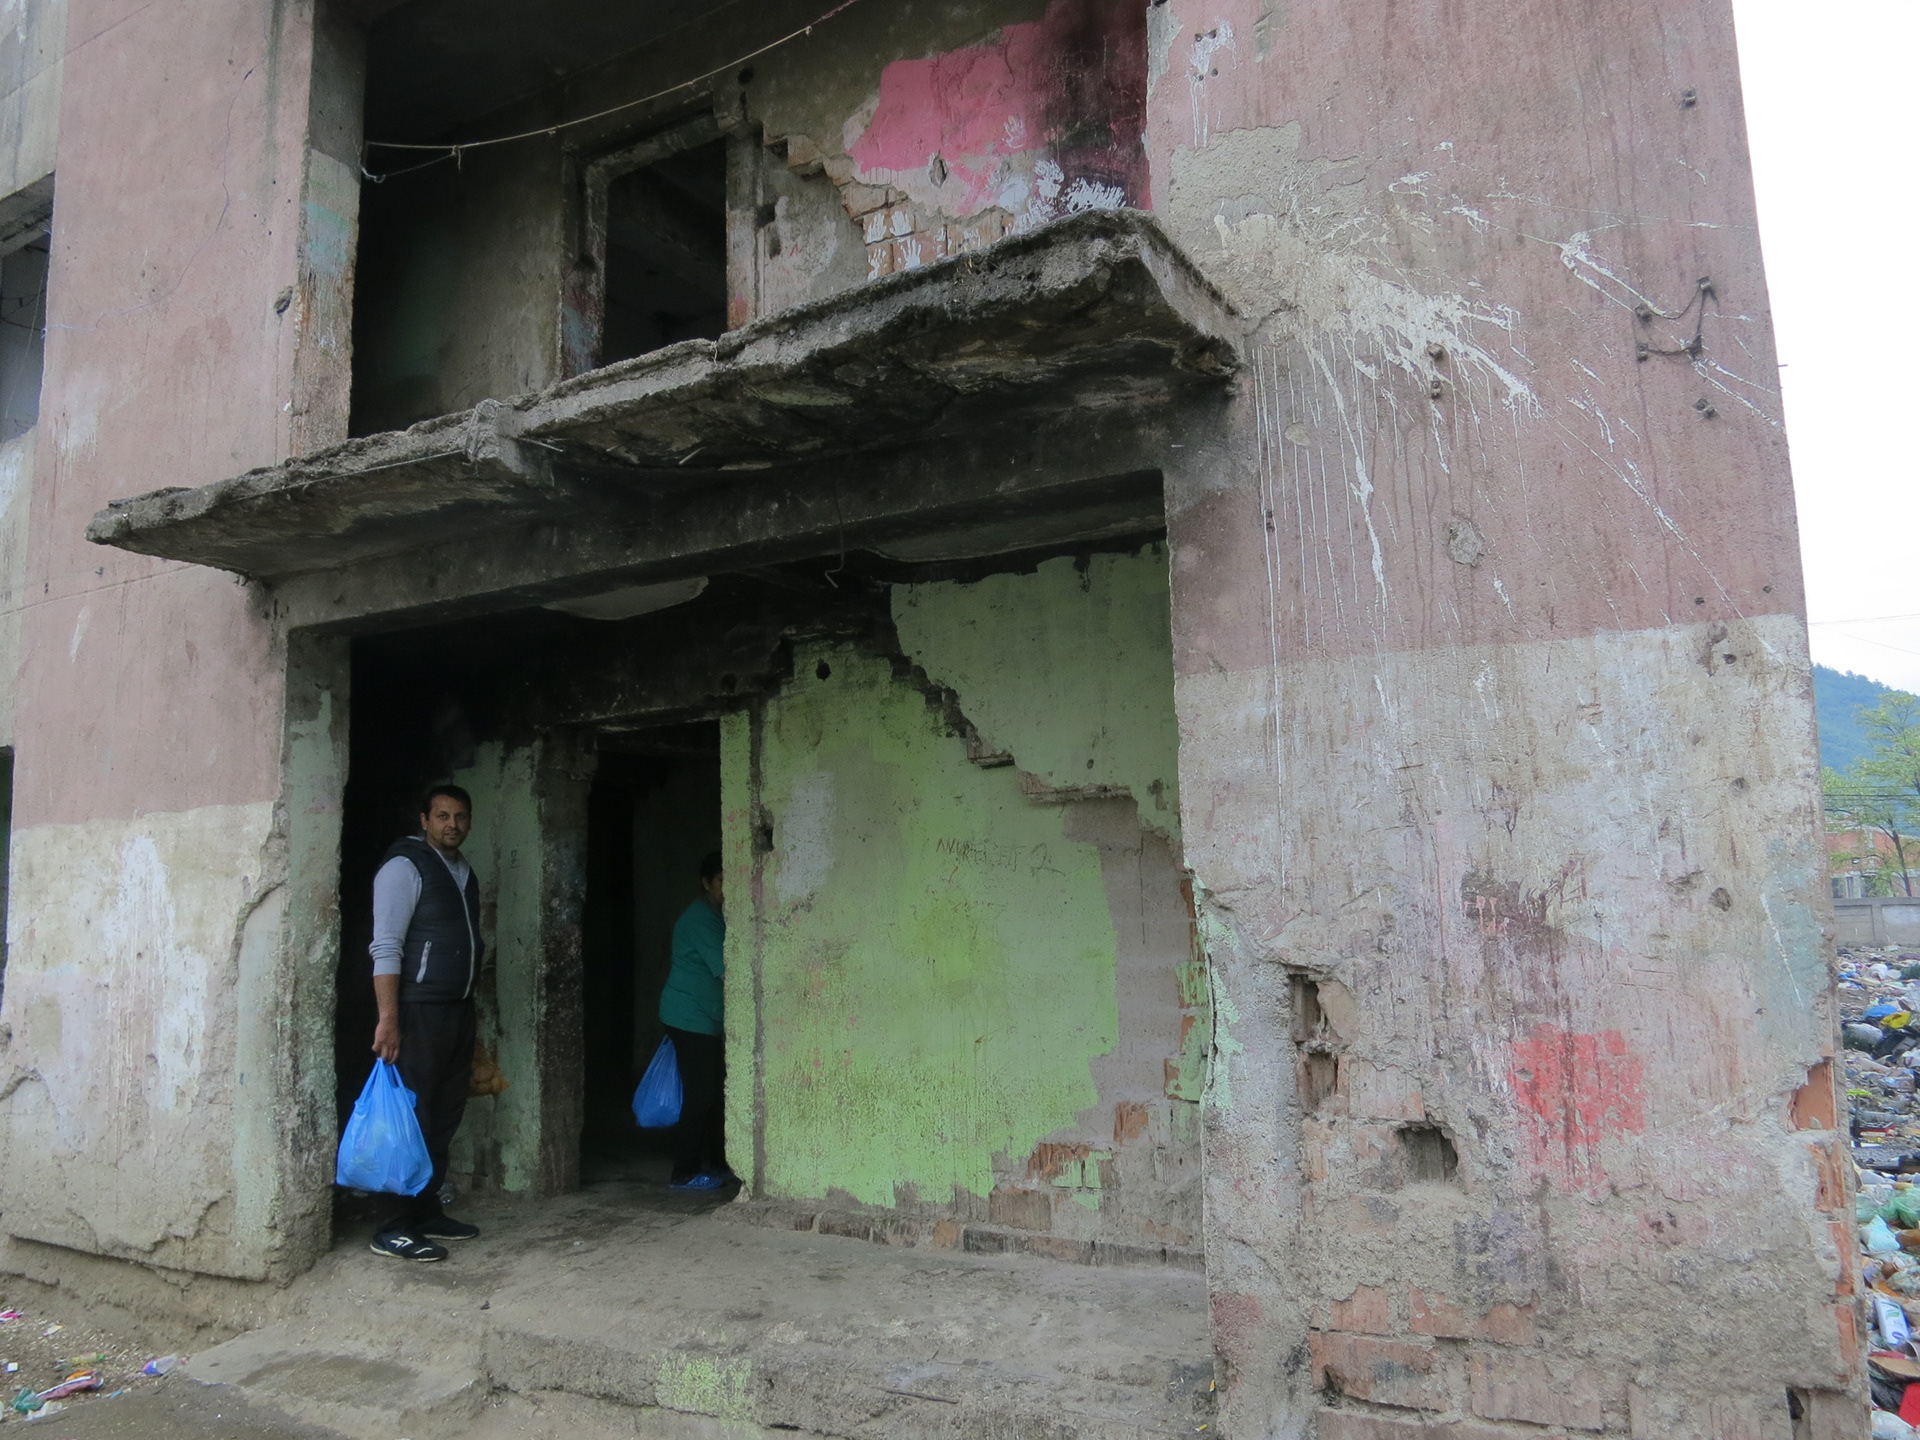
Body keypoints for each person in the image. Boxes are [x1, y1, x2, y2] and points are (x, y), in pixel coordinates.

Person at [366, 784, 485, 1261]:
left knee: (443, 1116)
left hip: (457, 1010)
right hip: (417, 1013)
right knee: (410, 1119)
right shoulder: (404, 867)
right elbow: (386, 946)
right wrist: (389, 1019)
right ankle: (391, 1226)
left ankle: (425, 1210)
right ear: (424, 821)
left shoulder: (463, 871)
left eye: (460, 816)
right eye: (442, 816)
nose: (452, 825)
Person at [657, 851, 732, 1189]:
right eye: (721, 881)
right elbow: (726, 970)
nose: (728, 889)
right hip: (689, 1017)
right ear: (706, 883)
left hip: (703, 1017)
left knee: (713, 1093)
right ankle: (683, 1172)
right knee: (702, 1095)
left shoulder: (715, 915)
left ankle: (719, 1163)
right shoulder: (701, 919)